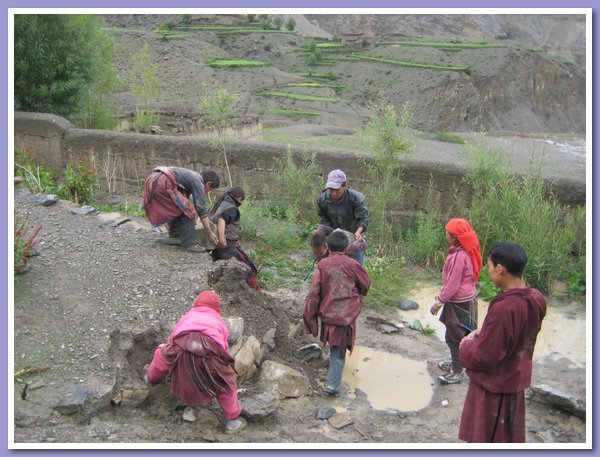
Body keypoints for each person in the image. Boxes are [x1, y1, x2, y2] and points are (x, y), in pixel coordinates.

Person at [458, 242, 547, 443]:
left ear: (500, 269)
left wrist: (466, 345)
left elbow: (485, 357)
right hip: (515, 380)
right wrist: (487, 332)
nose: (487, 272)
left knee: (489, 440)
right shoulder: (536, 298)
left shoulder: (505, 308)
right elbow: (522, 333)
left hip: (495, 388)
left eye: (489, 266)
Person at [144, 290, 247, 434]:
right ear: (217, 309)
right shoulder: (219, 322)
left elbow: (173, 338)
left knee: (162, 355)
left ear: (195, 305)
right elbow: (223, 348)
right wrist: (222, 366)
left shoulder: (188, 316)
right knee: (226, 383)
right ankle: (233, 422)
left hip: (182, 348)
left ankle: (150, 379)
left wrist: (170, 352)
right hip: (208, 356)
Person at [303, 230, 371, 395]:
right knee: (337, 348)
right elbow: (366, 284)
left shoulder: (322, 265)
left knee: (336, 348)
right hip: (346, 314)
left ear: (327, 246)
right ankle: (333, 380)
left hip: (328, 312)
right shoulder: (353, 264)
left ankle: (332, 385)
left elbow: (313, 294)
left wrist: (309, 316)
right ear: (347, 247)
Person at [430, 218, 482, 385]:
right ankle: (456, 363)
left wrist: (438, 302)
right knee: (462, 336)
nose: (445, 235)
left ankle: (458, 371)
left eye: (447, 233)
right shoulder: (468, 252)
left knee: (454, 338)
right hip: (468, 300)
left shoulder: (458, 257)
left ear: (454, 238)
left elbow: (452, 285)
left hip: (459, 303)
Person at [143, 166, 220, 252]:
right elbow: (201, 209)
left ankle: (175, 236)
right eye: (210, 189)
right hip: (162, 182)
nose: (208, 192)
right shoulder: (198, 181)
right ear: (208, 184)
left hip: (153, 180)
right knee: (189, 210)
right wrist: (210, 233)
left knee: (178, 207)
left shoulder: (191, 175)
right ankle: (190, 243)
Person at [208, 186, 260, 291]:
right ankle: (254, 291)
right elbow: (222, 220)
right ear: (239, 198)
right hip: (227, 245)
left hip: (214, 245)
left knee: (223, 269)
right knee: (249, 267)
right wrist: (222, 240)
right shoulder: (232, 208)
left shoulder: (220, 204)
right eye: (242, 201)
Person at [316, 169, 369, 265]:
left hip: (352, 235)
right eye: (331, 189)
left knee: (355, 267)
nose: (334, 193)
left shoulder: (355, 198)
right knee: (331, 266)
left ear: (344, 186)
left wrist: (358, 232)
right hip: (334, 234)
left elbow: (363, 219)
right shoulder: (323, 199)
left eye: (337, 190)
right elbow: (324, 218)